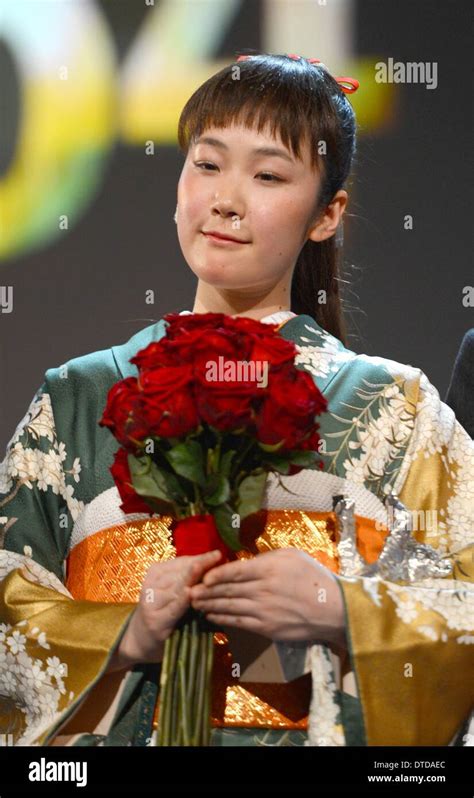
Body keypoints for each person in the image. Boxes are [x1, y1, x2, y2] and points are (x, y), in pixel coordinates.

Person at [0, 53, 472, 748]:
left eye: (269, 175)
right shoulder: (75, 396)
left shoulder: (395, 407)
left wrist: (338, 608)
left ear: (326, 214)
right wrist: (125, 633)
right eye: (208, 163)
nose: (226, 198)